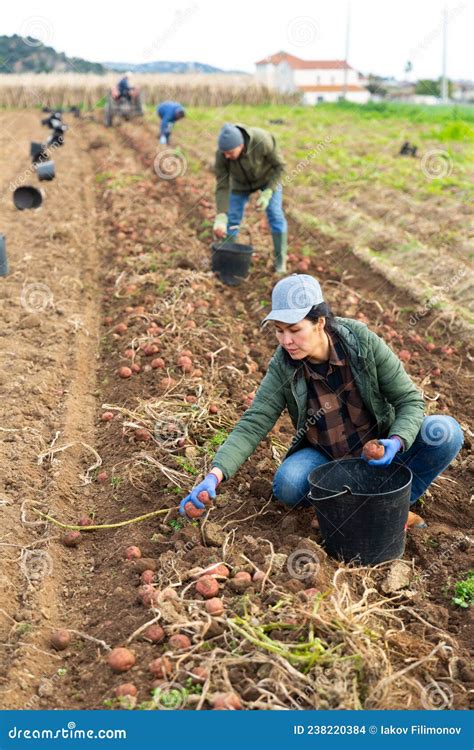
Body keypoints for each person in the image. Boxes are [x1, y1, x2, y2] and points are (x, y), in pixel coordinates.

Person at [179, 274, 463, 529]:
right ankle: (358, 503)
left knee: (444, 433)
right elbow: (254, 423)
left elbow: (409, 400)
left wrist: (397, 440)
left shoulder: (362, 343)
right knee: (288, 485)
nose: (286, 341)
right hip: (328, 460)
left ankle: (391, 505)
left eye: (294, 329)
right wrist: (215, 475)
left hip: (380, 448)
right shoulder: (283, 366)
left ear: (320, 322)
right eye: (279, 330)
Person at [213, 123, 288, 274]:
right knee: (232, 219)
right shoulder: (222, 155)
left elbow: (280, 167)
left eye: (230, 152)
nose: (226, 156)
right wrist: (221, 214)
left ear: (240, 145)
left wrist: (268, 192)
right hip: (240, 184)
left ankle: (280, 262)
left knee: (275, 214)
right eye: (224, 153)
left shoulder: (262, 140)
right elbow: (223, 185)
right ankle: (229, 263)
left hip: (268, 180)